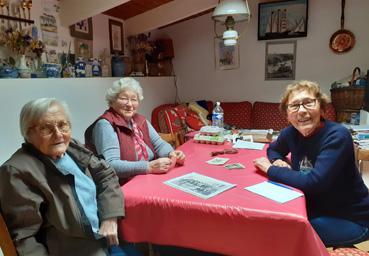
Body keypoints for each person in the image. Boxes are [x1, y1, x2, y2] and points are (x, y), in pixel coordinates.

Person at [0, 98, 141, 256]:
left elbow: (106, 175)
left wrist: (110, 217)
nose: (58, 134)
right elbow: (25, 237)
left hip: (106, 238)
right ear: (28, 133)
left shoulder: (72, 148)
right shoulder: (17, 171)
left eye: (62, 125)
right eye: (46, 128)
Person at [253, 80, 369, 247]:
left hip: (352, 220)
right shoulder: (291, 132)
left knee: (282, 234)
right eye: (294, 106)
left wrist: (270, 169)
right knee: (270, 221)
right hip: (316, 208)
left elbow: (314, 182)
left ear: (322, 109)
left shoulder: (337, 135)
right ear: (287, 115)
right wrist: (277, 160)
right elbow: (273, 149)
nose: (301, 111)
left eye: (308, 103)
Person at [85, 77, 185, 181]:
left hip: (147, 178)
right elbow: (111, 164)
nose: (129, 104)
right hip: (123, 184)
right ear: (112, 101)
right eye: (123, 99)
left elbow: (159, 144)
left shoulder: (140, 120)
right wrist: (148, 167)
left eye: (134, 99)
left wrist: (172, 153)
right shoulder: (105, 125)